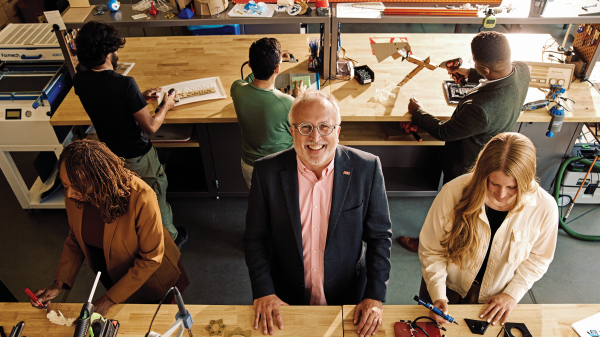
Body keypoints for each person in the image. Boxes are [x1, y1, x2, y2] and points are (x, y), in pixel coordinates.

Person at [244, 90, 392, 337]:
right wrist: (264, 290)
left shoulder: (367, 169)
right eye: (305, 127)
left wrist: (375, 296)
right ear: (292, 132)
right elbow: (255, 239)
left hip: (349, 298)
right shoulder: (265, 172)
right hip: (285, 299)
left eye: (325, 126)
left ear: (338, 131)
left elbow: (379, 238)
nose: (315, 138)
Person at [398, 31, 531, 253]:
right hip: (492, 146)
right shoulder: (523, 70)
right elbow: (498, 77)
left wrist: (417, 112)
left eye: (475, 63)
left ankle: (428, 244)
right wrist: (471, 74)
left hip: (468, 163)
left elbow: (444, 131)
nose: (474, 65)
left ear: (486, 69)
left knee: (451, 208)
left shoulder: (480, 109)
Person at [29, 140, 189, 316]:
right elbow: (75, 237)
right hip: (115, 276)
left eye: (77, 188)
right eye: (65, 186)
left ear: (100, 178)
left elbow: (151, 259)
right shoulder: (75, 195)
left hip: (153, 280)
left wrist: (109, 299)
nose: (69, 194)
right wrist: (58, 284)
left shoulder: (141, 196)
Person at [418, 133, 558, 326]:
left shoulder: (545, 207)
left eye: (512, 187)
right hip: (444, 288)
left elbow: (539, 259)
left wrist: (512, 294)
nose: (501, 194)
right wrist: (438, 294)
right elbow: (432, 250)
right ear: (482, 173)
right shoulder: (452, 193)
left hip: (495, 300)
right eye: (494, 183)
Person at [72, 21, 187, 249]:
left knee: (134, 199)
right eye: (114, 50)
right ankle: (170, 240)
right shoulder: (124, 84)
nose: (116, 54)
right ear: (106, 53)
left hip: (111, 155)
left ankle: (144, 235)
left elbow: (109, 105)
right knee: (155, 193)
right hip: (138, 156)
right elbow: (151, 127)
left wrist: (140, 97)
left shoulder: (80, 81)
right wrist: (166, 104)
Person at [231, 37, 305, 189]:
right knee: (280, 205)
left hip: (249, 166)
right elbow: (300, 130)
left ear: (250, 64)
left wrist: (267, 62)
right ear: (277, 69)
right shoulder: (287, 103)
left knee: (259, 204)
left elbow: (248, 80)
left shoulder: (236, 89)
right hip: (276, 168)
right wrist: (299, 97)